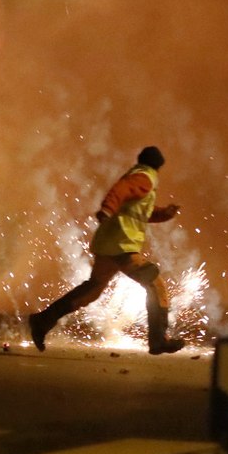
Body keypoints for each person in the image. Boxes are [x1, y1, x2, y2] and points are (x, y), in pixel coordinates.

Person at [27, 146, 186, 355]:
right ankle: (158, 339)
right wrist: (107, 208)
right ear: (157, 167)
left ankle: (42, 320)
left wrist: (164, 213)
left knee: (92, 290)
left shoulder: (138, 175)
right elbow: (121, 190)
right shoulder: (145, 177)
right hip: (122, 245)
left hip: (109, 245)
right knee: (155, 285)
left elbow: (138, 208)